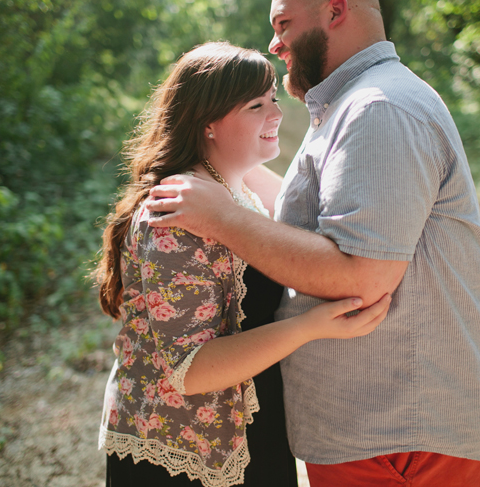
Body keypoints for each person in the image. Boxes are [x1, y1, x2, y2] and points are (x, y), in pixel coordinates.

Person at [145, 0, 480, 486]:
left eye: (283, 25)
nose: (275, 44)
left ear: (336, 11)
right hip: (378, 426)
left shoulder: (379, 108)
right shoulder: (352, 105)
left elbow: (363, 275)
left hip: (399, 431)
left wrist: (222, 216)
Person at [94, 41, 391, 487]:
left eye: (273, 98)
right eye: (256, 105)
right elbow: (189, 370)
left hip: (245, 430)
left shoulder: (231, 190)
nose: (277, 114)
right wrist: (311, 326)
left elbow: (301, 227)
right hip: (184, 454)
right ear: (207, 123)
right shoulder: (175, 215)